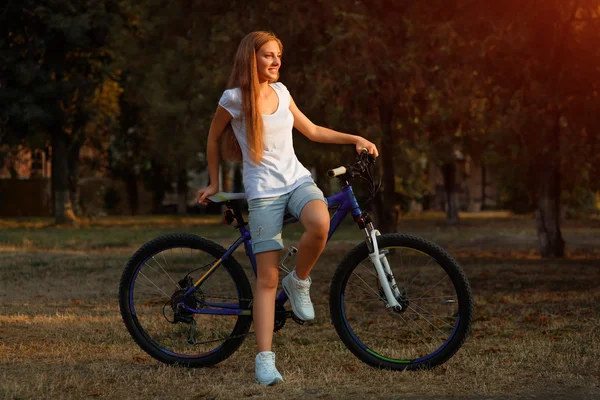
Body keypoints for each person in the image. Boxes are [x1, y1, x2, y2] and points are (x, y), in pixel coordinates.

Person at [197, 31, 378, 386]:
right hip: (263, 192)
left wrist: (355, 138)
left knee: (320, 223)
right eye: (268, 55)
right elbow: (212, 137)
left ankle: (299, 281)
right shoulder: (233, 99)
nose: (276, 61)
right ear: (251, 58)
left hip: (297, 180)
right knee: (266, 280)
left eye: (278, 54)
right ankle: (264, 360)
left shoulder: (282, 92)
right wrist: (215, 183)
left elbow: (311, 130)